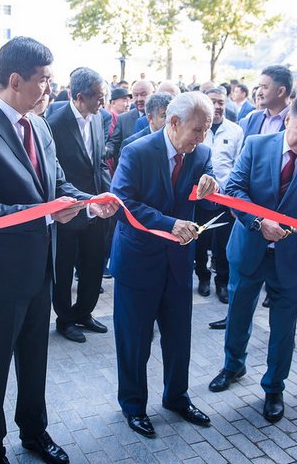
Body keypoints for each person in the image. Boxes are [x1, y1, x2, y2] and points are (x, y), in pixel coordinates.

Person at [0, 36, 118, 464]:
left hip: (39, 269)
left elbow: (57, 185)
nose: (51, 86)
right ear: (15, 80)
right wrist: (47, 214)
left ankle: (34, 432)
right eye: (44, 79)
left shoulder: (40, 125)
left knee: (34, 361)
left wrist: (89, 202)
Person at [208, 94, 297, 423]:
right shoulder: (256, 145)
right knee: (238, 314)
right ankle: (233, 365)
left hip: (294, 257)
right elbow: (235, 190)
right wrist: (259, 222)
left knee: (283, 328)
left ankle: (274, 387)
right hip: (250, 247)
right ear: (287, 121)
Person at [111, 91, 218, 439]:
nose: (202, 137)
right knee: (135, 340)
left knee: (178, 337)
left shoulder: (201, 154)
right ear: (173, 123)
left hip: (178, 262)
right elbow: (121, 203)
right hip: (138, 260)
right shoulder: (137, 151)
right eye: (197, 130)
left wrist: (211, 187)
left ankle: (176, 397)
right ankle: (133, 405)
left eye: (207, 130)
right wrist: (168, 223)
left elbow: (205, 202)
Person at [48, 67, 111, 343]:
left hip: (96, 208)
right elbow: (53, 171)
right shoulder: (53, 123)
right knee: (63, 269)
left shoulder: (98, 118)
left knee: (93, 264)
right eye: (98, 96)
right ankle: (65, 320)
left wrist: (108, 193)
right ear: (79, 97)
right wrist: (79, 202)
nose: (103, 102)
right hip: (69, 209)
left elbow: (99, 163)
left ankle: (85, 312)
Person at [195, 87, 245, 303]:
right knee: (199, 241)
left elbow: (239, 165)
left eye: (221, 102)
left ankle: (222, 282)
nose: (217, 106)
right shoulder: (197, 127)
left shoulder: (235, 131)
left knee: (223, 244)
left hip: (226, 199)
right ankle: (203, 278)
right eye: (212, 101)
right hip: (199, 198)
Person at [238, 65, 292, 138]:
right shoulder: (254, 118)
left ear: (280, 91)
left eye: (264, 87)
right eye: (259, 86)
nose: (259, 93)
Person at [107, 80, 153, 161]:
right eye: (135, 95)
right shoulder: (123, 119)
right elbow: (114, 145)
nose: (139, 99)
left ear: (153, 94)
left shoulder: (161, 117)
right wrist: (102, 151)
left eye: (143, 94)